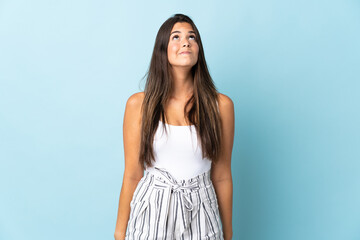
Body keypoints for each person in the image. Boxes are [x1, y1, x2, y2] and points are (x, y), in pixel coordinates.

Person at [114, 13, 234, 240]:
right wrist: (119, 234)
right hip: (151, 212)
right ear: (163, 49)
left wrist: (228, 235)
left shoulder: (221, 106)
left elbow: (222, 176)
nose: (186, 42)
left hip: (201, 212)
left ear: (199, 49)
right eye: (176, 37)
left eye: (192, 37)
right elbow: (132, 174)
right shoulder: (139, 104)